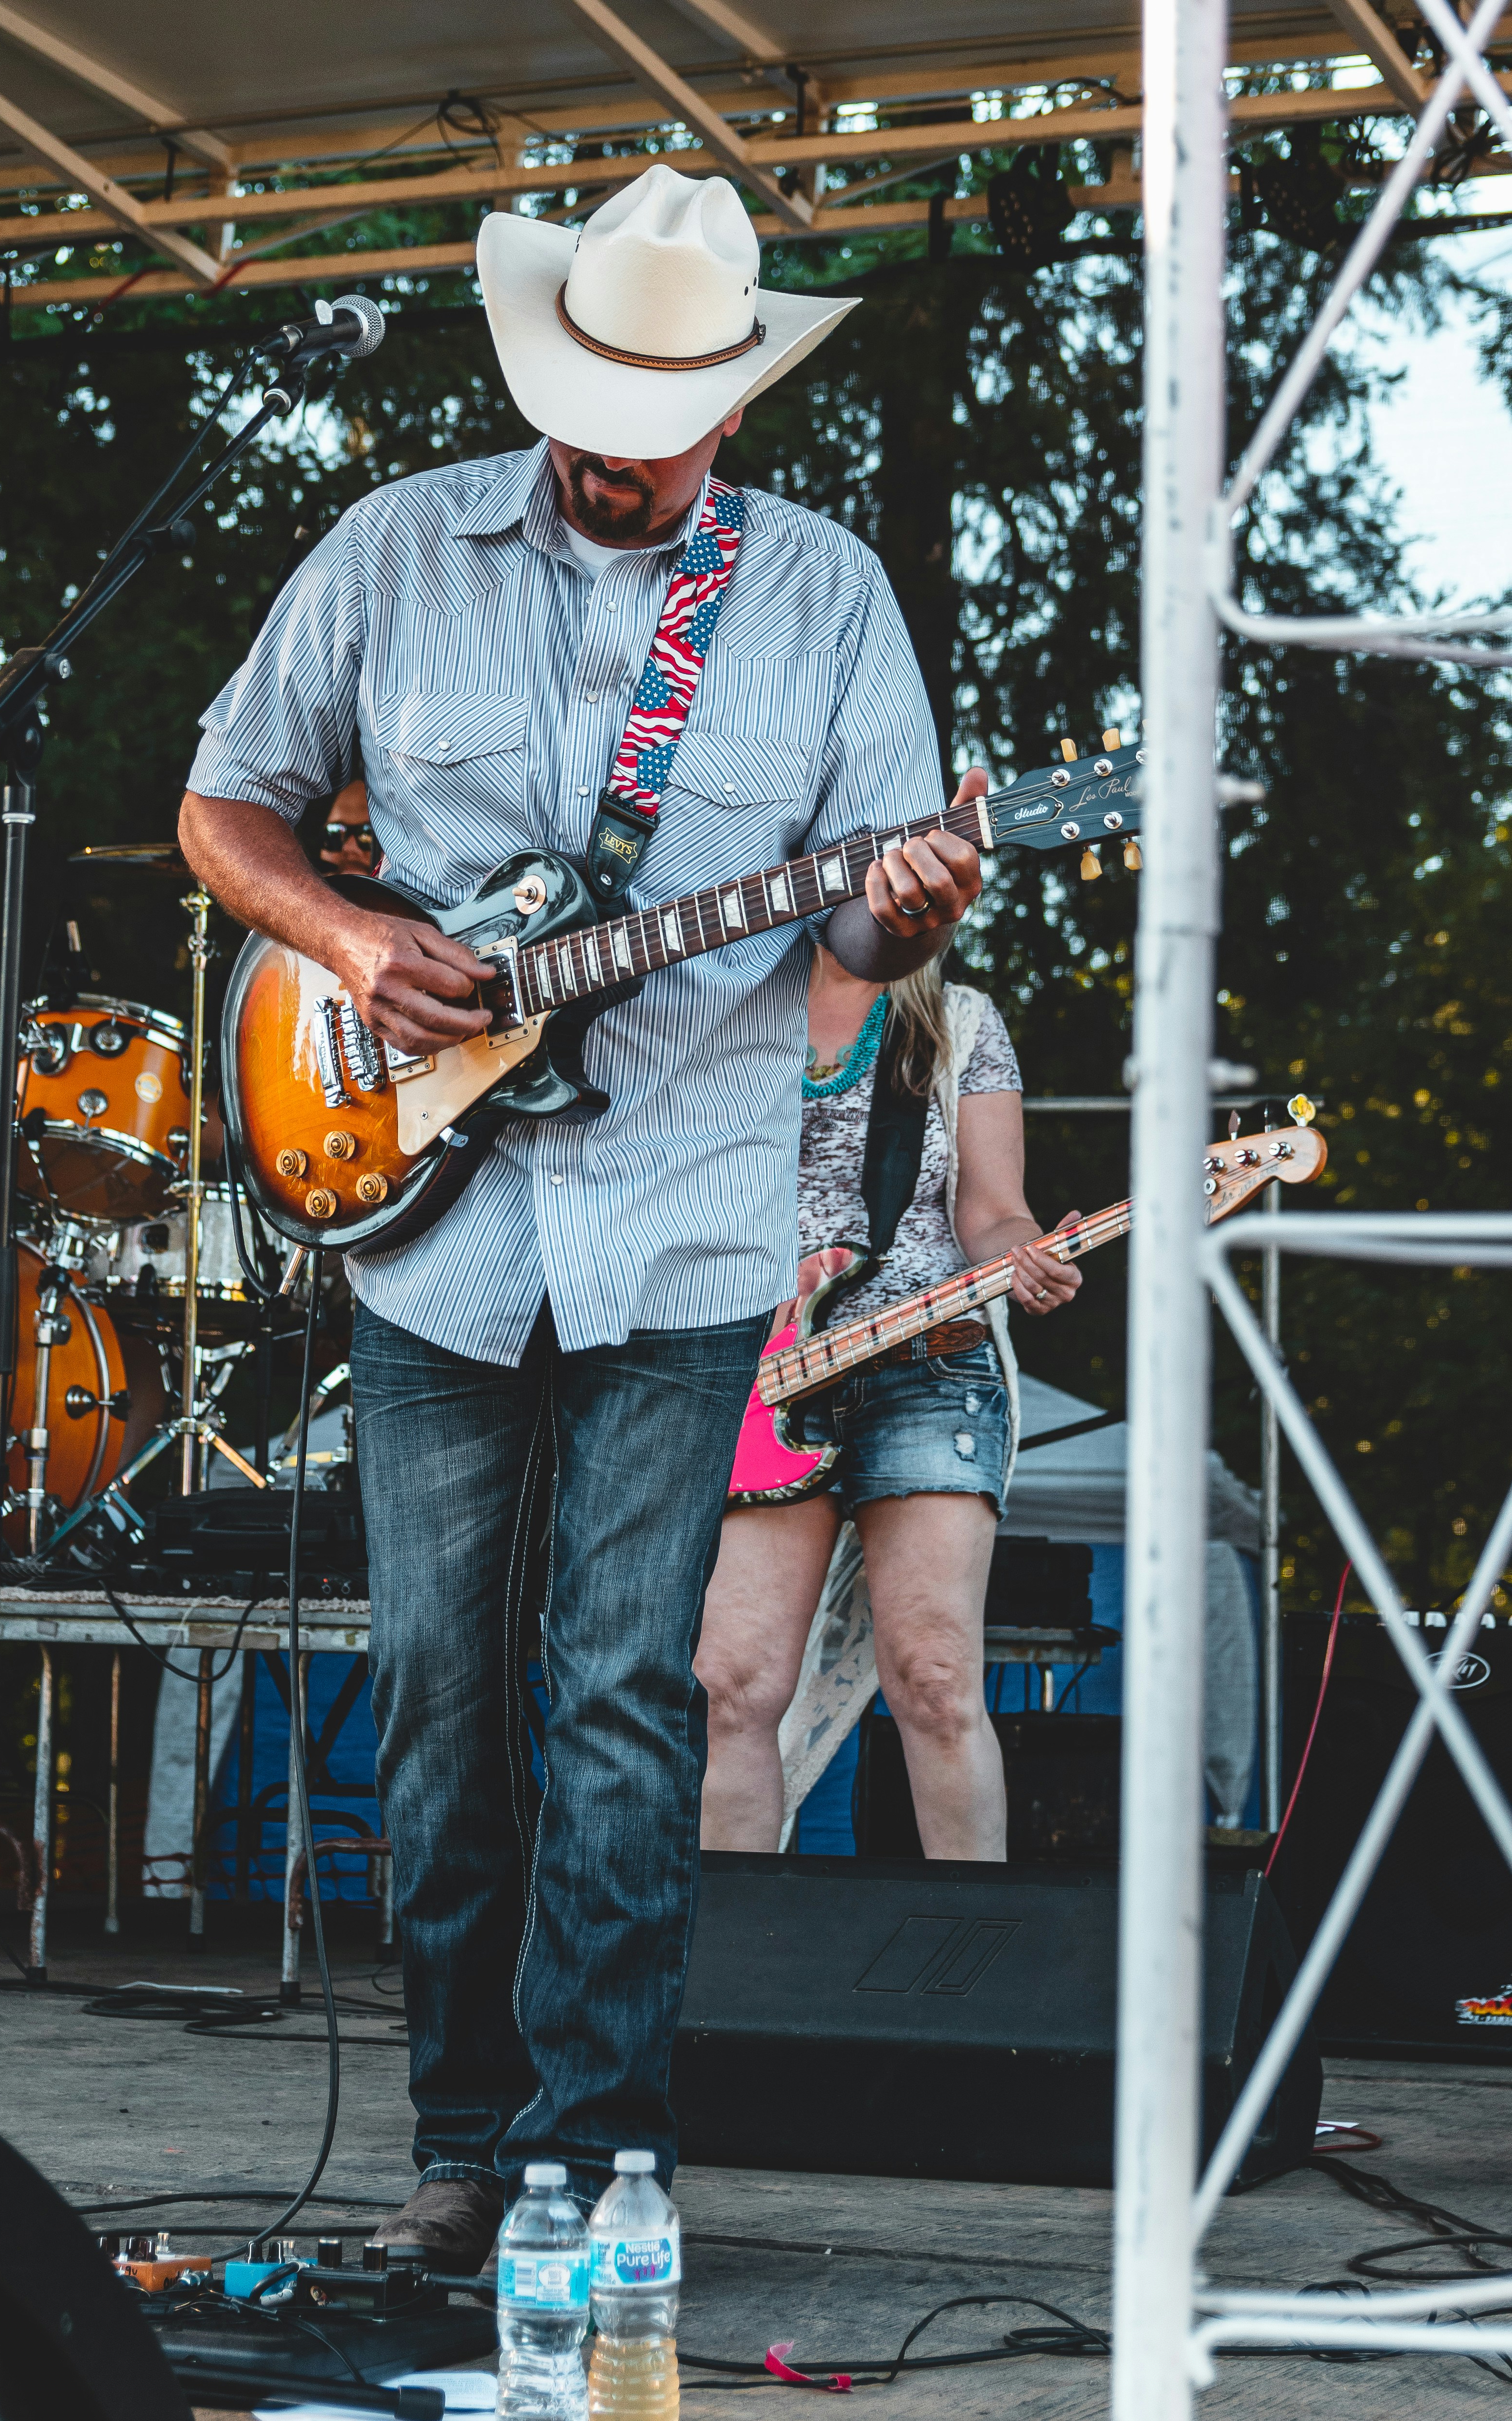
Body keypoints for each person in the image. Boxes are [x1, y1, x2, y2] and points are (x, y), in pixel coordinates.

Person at [176, 162, 986, 2269]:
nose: (612, 453)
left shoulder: (816, 597)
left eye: (656, 419)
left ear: (731, 403)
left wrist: (901, 907)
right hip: (427, 1213)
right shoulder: (390, 549)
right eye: (583, 409)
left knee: (626, 1692)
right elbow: (221, 802)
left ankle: (597, 2152)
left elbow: (863, 910)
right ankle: (462, 2141)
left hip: (686, 1218)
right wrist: (353, 946)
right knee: (443, 1691)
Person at [693, 943, 1081, 1861]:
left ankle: (968, 1973)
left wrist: (1026, 1256)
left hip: (929, 1371)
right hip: (764, 1378)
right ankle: (727, 1975)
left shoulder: (961, 1024)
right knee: (734, 1687)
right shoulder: (724, 1008)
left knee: (937, 1680)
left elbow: (992, 1213)